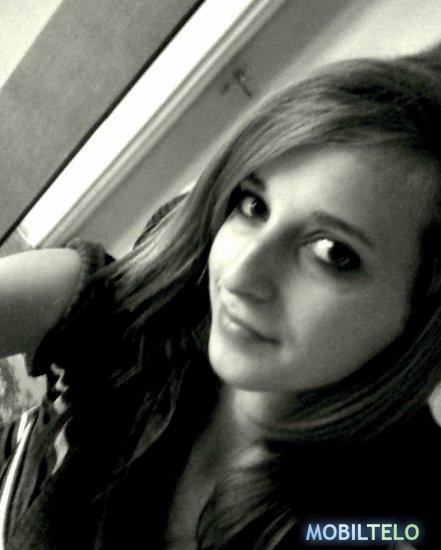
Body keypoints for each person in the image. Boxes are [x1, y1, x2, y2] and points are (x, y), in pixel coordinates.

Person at [1, 46, 441, 550]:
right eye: (253, 205)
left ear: (420, 315)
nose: (241, 274)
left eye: (332, 252)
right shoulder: (137, 309)